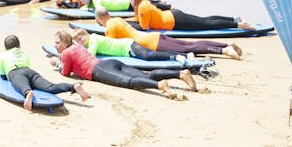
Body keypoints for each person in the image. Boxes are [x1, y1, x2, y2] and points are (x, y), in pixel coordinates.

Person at [53, 30, 197, 99]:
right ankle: (180, 73)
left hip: (99, 70)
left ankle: (160, 86)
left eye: (57, 43)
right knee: (147, 76)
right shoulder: (78, 46)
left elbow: (66, 73)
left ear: (64, 42)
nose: (55, 45)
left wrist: (57, 64)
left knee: (130, 82)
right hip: (110, 63)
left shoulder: (65, 53)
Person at [95, 7, 243, 60]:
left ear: (98, 18)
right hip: (154, 37)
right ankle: (226, 44)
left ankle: (223, 50)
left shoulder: (109, 27)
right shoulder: (117, 19)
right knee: (188, 45)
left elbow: (112, 46)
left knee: (188, 48)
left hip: (152, 44)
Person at [1, 35, 90, 111]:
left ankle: (28, 92)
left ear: (5, 47)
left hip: (15, 72)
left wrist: (7, 77)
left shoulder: (4, 55)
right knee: (50, 87)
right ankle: (73, 86)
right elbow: (26, 65)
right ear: (19, 46)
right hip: (29, 71)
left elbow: (3, 75)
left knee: (22, 85)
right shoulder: (23, 53)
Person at [129, 0, 254, 31]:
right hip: (173, 15)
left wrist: (129, 25)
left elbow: (144, 27)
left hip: (174, 21)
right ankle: (233, 18)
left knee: (207, 24)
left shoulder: (142, 8)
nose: (130, 1)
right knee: (204, 20)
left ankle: (238, 24)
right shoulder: (144, 2)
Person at [68, 28, 190, 64]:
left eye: (80, 38)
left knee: (147, 56)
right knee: (149, 53)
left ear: (85, 34)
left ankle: (176, 57)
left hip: (127, 46)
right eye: (77, 41)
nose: (80, 42)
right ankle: (186, 55)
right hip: (127, 47)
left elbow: (90, 55)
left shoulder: (93, 39)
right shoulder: (90, 41)